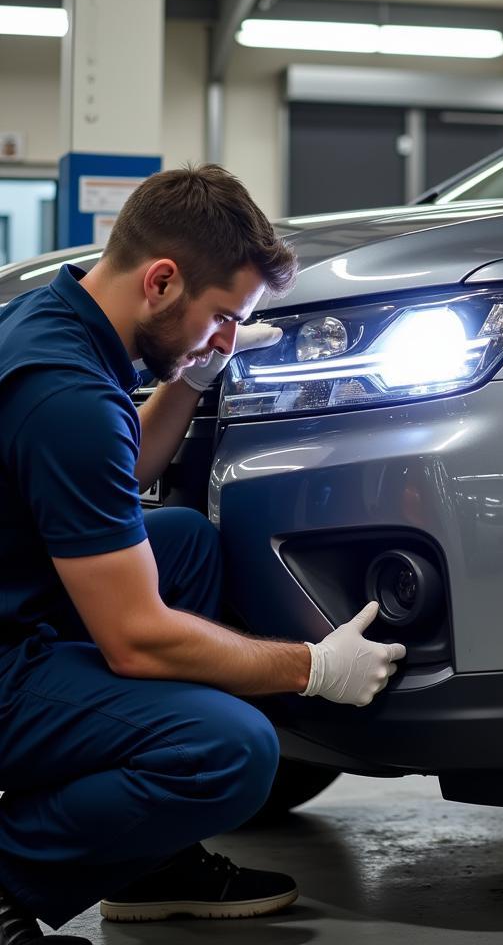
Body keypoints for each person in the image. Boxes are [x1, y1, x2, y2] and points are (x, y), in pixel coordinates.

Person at [0, 165, 406, 944]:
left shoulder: (54, 319)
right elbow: (136, 639)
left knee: (179, 542)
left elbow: (125, 470)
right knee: (228, 749)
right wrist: (313, 668)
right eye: (222, 317)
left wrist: (193, 372)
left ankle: (145, 860)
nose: (226, 337)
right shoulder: (68, 396)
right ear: (161, 281)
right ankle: (9, 874)